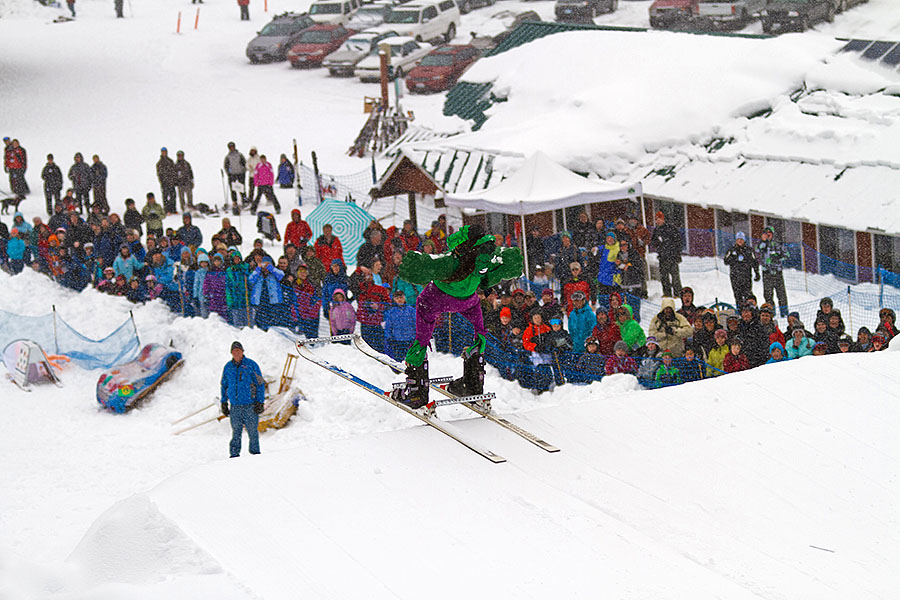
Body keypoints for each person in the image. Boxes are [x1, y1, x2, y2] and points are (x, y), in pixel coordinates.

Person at [391, 225, 523, 408]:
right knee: (480, 332)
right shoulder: (488, 255)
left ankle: (417, 389)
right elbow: (503, 263)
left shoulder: (454, 260)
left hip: (437, 297)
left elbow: (432, 263)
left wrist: (415, 264)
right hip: (468, 300)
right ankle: (473, 383)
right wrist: (510, 262)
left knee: (423, 331)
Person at [220, 341, 265, 458]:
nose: (236, 353)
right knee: (236, 433)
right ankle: (234, 455)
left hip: (250, 406)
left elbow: (260, 384)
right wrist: (224, 402)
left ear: (242, 352)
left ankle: (255, 455)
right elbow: (224, 385)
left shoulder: (251, 365)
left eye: (238, 351)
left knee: (253, 432)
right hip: (235, 407)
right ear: (231, 353)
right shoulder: (228, 367)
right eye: (234, 351)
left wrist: (260, 402)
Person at [755, 226, 788, 317]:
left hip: (777, 272)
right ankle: (770, 313)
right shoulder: (761, 243)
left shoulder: (778, 244)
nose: (768, 234)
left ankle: (784, 313)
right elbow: (757, 250)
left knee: (781, 294)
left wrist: (777, 257)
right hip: (767, 273)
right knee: (768, 295)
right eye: (766, 232)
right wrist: (764, 241)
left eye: (770, 232)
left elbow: (786, 255)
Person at [650, 211, 683, 298]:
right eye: (656, 220)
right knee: (664, 276)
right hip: (662, 257)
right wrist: (659, 245)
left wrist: (676, 252)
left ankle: (678, 293)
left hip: (672, 256)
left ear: (663, 219)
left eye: (659, 219)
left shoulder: (671, 228)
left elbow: (678, 241)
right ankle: (667, 293)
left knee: (675, 276)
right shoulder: (656, 230)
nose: (658, 221)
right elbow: (653, 242)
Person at [724, 232, 758, 307]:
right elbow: (726, 261)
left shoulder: (749, 250)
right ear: (736, 240)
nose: (740, 241)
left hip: (746, 277)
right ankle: (740, 311)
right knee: (737, 295)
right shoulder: (732, 250)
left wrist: (757, 273)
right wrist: (734, 258)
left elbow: (755, 262)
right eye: (738, 239)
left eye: (741, 239)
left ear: (744, 240)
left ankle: (749, 310)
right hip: (735, 277)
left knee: (748, 295)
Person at [223, 142, 247, 215]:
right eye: (230, 147)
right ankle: (235, 202)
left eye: (232, 146)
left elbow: (244, 163)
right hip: (232, 175)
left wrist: (243, 171)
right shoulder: (228, 156)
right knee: (233, 189)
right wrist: (228, 173)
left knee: (241, 188)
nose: (232, 148)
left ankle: (244, 200)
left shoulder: (239, 155)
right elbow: (226, 165)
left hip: (240, 173)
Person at [156, 148, 178, 214]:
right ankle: (166, 210)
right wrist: (162, 181)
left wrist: (174, 180)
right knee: (165, 196)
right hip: (164, 183)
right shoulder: (159, 163)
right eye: (163, 152)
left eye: (165, 152)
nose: (164, 153)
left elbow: (174, 171)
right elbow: (159, 174)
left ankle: (173, 209)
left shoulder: (170, 161)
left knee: (173, 195)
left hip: (171, 182)